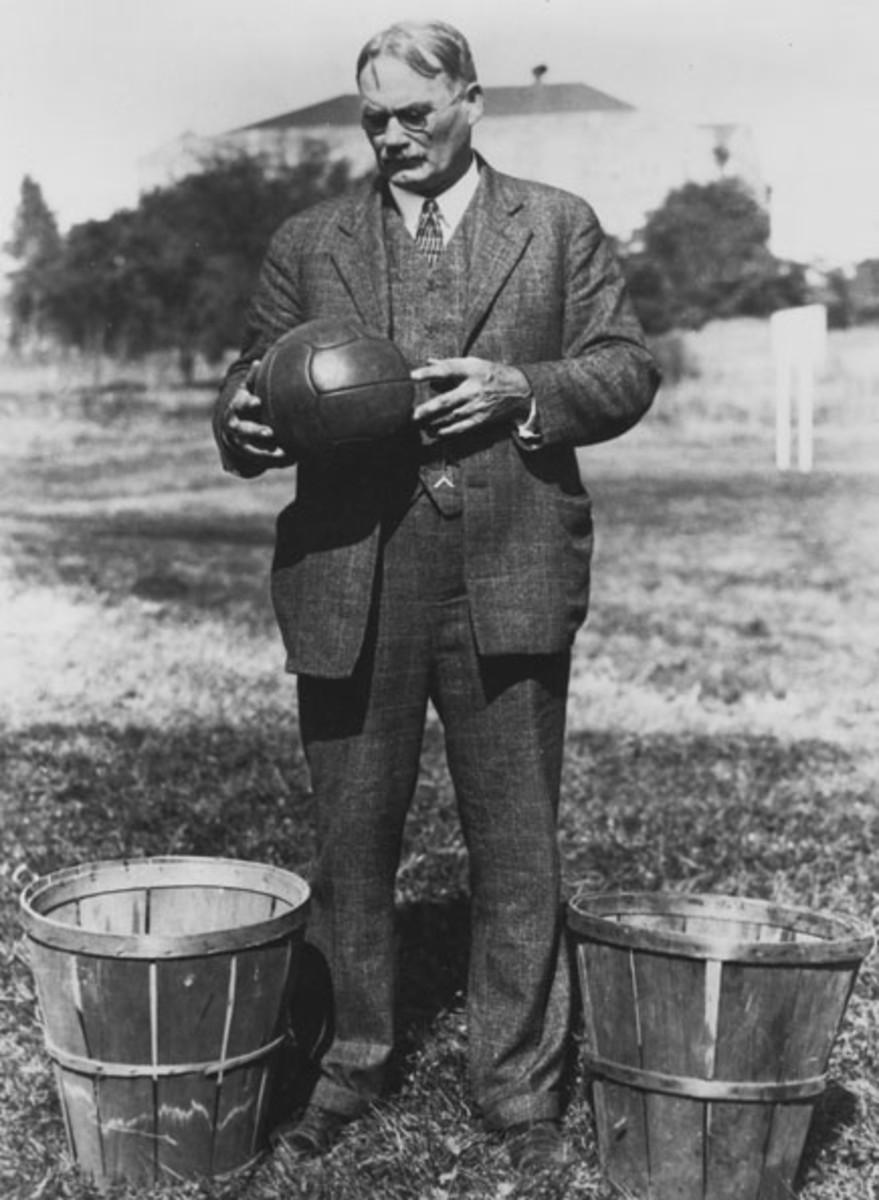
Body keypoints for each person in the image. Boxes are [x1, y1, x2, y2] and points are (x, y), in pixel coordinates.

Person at [213, 19, 659, 1176]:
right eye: (375, 118)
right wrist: (243, 421)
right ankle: (348, 1065)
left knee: (517, 848)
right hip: (351, 574)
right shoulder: (309, 240)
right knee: (352, 843)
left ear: (471, 101)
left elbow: (626, 368)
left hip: (509, 565)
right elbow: (249, 382)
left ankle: (519, 1094)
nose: (394, 136)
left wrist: (523, 387)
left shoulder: (556, 226)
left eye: (416, 113)